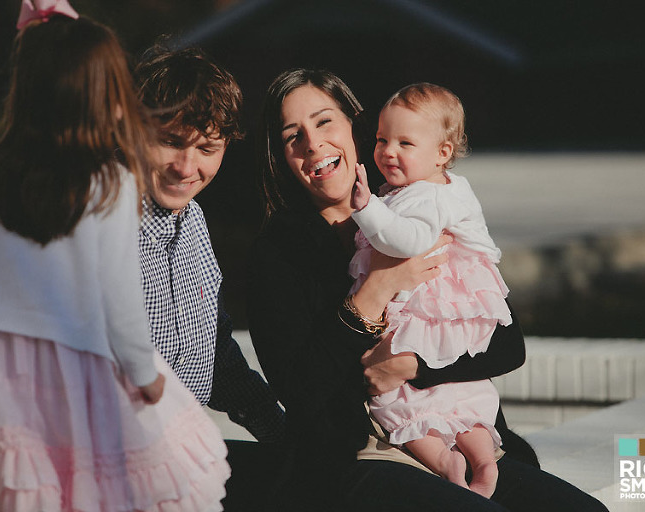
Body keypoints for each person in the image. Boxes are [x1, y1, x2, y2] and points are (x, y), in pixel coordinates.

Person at [247, 68, 609, 511]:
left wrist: (412, 365)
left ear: (354, 126)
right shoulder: (277, 253)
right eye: (293, 136)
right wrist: (378, 287)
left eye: (324, 122)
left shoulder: (415, 201)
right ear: (281, 157)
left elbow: (506, 343)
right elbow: (301, 388)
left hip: (458, 434)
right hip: (362, 452)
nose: (313, 144)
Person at [0, 2, 228, 511]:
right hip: (65, 367)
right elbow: (119, 300)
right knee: (83, 480)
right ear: (106, 100)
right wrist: (144, 375)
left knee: (16, 482)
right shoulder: (109, 185)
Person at [133, 41, 286, 510]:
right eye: (170, 142)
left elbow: (213, 353)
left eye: (206, 148)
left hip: (179, 454)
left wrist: (281, 434)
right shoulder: (97, 225)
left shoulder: (194, 220)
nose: (187, 167)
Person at [349, 83, 511, 497]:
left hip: (426, 311)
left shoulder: (425, 196)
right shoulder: (445, 186)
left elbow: (405, 241)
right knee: (462, 397)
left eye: (405, 143)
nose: (388, 151)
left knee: (395, 400)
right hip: (452, 313)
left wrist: (366, 208)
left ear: (442, 152)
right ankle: (482, 460)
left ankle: (443, 461)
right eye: (382, 139)